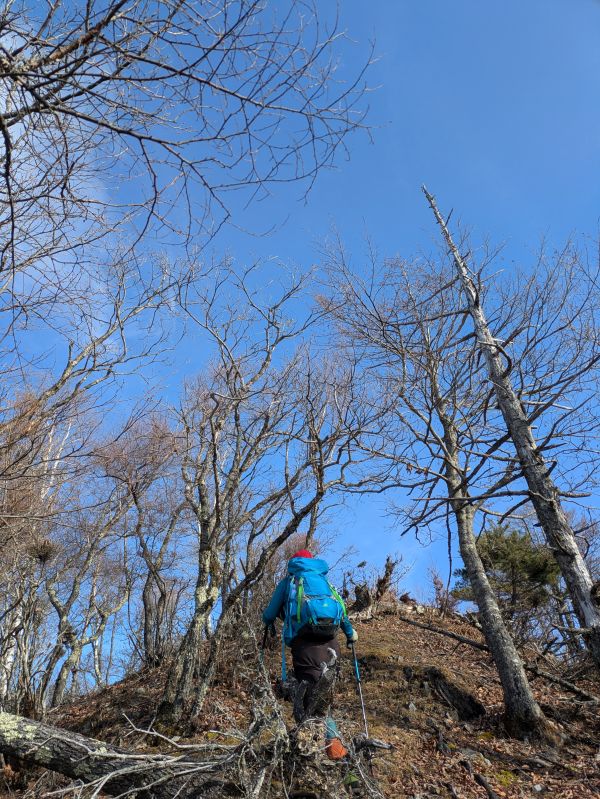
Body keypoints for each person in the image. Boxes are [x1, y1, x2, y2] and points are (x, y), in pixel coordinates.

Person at [262, 549, 358, 756]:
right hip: (332, 645)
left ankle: (317, 753)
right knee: (323, 700)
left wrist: (269, 620)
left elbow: (269, 614)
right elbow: (342, 613)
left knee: (310, 701)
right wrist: (351, 634)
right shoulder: (326, 584)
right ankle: (334, 751)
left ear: (294, 562)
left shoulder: (290, 582)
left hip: (305, 647)